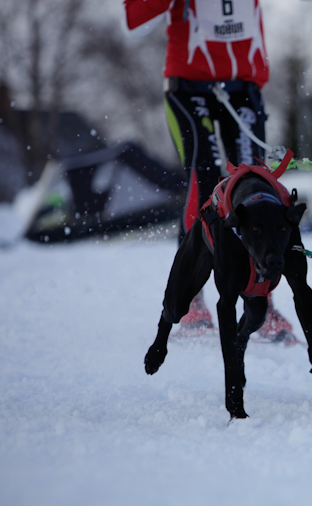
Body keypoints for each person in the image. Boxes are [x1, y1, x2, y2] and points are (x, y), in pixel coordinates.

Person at [124, 0, 295, 341]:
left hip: (243, 82)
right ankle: (191, 299)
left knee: (253, 183)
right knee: (205, 182)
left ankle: (260, 296)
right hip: (189, 83)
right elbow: (133, 23)